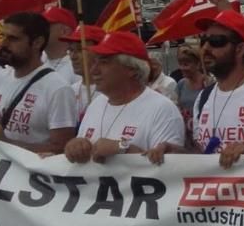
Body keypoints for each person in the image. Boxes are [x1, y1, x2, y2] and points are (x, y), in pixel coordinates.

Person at [146, 11, 244, 167]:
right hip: (212, 191)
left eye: (216, 41)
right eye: (203, 40)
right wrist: (173, 151)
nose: (205, 48)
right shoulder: (204, 97)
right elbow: (203, 154)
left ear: (239, 49)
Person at [65, 32, 185, 164]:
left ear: (132, 69)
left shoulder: (163, 109)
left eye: (104, 62)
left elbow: (170, 171)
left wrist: (122, 148)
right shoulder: (96, 104)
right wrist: (75, 146)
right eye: (95, 62)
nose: (94, 70)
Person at [0, 12, 76, 153]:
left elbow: (62, 148)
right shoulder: (0, 77)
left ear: (37, 42)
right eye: (3, 36)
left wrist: (8, 143)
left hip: (34, 174)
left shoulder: (58, 88)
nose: (3, 44)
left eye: (13, 39)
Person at [60, 24, 106, 121]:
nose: (73, 57)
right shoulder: (71, 90)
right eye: (71, 50)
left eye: (80, 50)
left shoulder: (109, 92)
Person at [175, 44, 210, 146]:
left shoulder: (209, 82)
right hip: (186, 135)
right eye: (180, 64)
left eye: (186, 64)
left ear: (197, 64)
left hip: (202, 132)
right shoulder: (181, 84)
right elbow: (177, 106)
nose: (182, 68)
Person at [41, 7, 80, 84]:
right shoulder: (35, 59)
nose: (39, 29)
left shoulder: (77, 66)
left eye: (45, 26)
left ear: (65, 31)